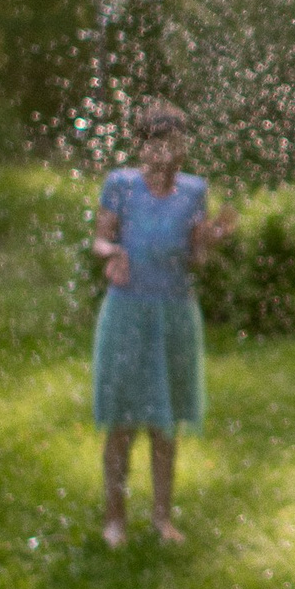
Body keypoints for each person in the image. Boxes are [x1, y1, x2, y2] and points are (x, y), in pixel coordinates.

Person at [88, 101, 232, 549]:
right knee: (122, 420)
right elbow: (100, 238)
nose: (164, 153)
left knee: (165, 423)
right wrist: (112, 255)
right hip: (128, 312)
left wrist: (209, 239)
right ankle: (115, 520)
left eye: (172, 143)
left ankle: (161, 519)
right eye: (155, 144)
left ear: (183, 147)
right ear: (142, 147)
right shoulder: (121, 186)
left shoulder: (194, 192)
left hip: (174, 314)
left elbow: (196, 257)